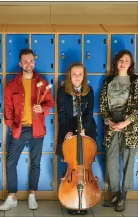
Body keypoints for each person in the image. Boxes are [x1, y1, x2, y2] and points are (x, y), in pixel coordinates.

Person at [0, 49, 54, 211]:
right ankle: (12, 196)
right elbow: (8, 108)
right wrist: (11, 125)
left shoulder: (43, 83)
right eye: (25, 61)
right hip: (19, 129)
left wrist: (41, 109)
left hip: (37, 129)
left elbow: (50, 103)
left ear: (34, 62)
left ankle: (32, 195)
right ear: (20, 64)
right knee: (10, 163)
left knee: (35, 163)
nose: (29, 64)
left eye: (31, 61)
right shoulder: (11, 85)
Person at [56, 63, 97, 215]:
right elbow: (61, 112)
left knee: (86, 162)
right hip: (68, 127)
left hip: (86, 128)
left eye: (80, 74)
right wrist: (68, 132)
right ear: (69, 75)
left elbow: (90, 112)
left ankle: (86, 198)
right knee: (70, 163)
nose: (77, 77)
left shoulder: (89, 90)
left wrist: (84, 128)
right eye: (74, 74)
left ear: (84, 75)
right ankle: (70, 200)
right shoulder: (62, 90)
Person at [100, 50, 138, 212]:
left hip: (130, 124)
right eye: (121, 60)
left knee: (128, 161)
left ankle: (124, 196)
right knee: (111, 159)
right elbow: (102, 104)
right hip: (112, 122)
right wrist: (108, 120)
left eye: (127, 61)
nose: (123, 63)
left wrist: (125, 122)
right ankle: (115, 193)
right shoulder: (109, 80)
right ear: (116, 62)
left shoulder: (135, 81)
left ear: (131, 64)